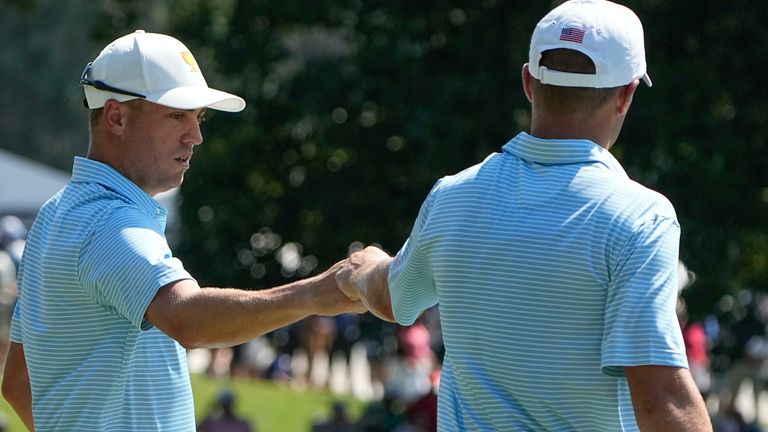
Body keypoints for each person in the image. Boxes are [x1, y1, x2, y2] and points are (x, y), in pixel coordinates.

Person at [336, 1, 712, 430]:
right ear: (626, 94)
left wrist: (361, 270)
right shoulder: (641, 218)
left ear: (528, 82)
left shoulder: (452, 197)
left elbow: (391, 297)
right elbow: (658, 394)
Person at [1, 30, 364, 431]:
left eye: (198, 117)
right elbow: (187, 318)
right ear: (116, 117)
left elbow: (17, 384)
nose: (196, 136)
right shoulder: (109, 221)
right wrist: (314, 293)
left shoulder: (56, 214)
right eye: (177, 115)